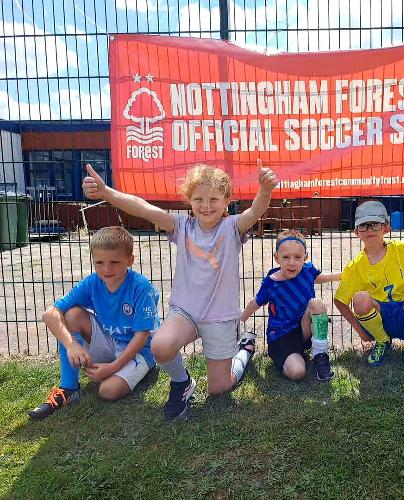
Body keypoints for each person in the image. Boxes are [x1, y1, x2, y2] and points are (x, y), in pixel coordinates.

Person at [82, 161, 278, 419]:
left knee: (219, 388)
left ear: (227, 201)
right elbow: (144, 208)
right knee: (160, 346)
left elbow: (255, 212)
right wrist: (107, 193)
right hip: (185, 312)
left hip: (220, 317)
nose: (206, 206)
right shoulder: (181, 226)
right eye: (198, 199)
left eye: (214, 199)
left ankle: (245, 351)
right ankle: (181, 382)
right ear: (189, 200)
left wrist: (264, 190)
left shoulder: (232, 227)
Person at [29, 226, 160, 420]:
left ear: (130, 261)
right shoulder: (92, 282)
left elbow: (141, 336)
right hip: (109, 340)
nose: (106, 269)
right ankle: (69, 388)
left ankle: (143, 368)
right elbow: (50, 314)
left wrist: (113, 367)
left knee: (107, 391)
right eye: (99, 262)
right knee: (72, 315)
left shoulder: (141, 287)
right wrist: (71, 344)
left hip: (139, 349)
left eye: (115, 262)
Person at [334, 201, 404, 376]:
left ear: (386, 228)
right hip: (380, 316)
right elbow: (340, 300)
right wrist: (358, 329)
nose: (370, 229)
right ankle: (382, 341)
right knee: (360, 298)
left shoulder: (402, 250)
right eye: (363, 225)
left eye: (375, 223)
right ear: (356, 232)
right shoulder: (355, 266)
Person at [241, 230, 339, 381]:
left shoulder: (307, 271)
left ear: (305, 258)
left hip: (303, 330)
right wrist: (241, 318)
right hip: (281, 337)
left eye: (297, 257)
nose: (292, 262)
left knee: (316, 304)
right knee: (297, 372)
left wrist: (344, 274)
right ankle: (290, 357)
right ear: (276, 258)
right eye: (286, 257)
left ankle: (321, 357)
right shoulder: (271, 283)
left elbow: (320, 278)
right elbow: (255, 302)